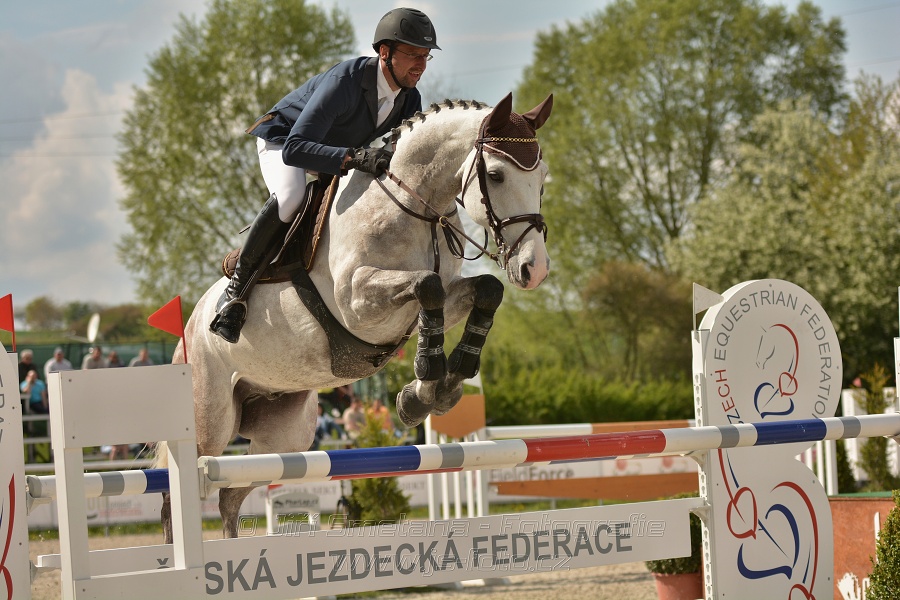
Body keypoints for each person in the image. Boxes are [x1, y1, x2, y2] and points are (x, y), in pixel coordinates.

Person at [210, 7, 440, 344]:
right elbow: (295, 148)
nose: (420, 65)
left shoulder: (409, 99)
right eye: (413, 55)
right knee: (291, 197)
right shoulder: (345, 82)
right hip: (284, 140)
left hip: (332, 151)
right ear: (384, 52)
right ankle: (235, 294)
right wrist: (357, 156)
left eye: (425, 56)